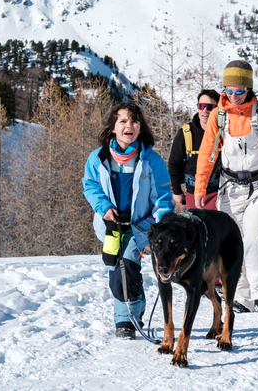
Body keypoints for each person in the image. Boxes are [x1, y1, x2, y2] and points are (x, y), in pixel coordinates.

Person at [194, 60, 258, 313]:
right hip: (230, 187)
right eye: (229, 90)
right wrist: (200, 188)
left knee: (255, 237)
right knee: (232, 243)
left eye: (240, 91)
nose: (234, 96)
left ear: (249, 89)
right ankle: (241, 296)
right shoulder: (219, 115)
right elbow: (208, 153)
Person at [82, 102, 174, 340]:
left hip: (139, 226)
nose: (128, 126)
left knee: (129, 267)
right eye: (122, 121)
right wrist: (103, 208)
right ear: (113, 127)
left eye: (133, 121)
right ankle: (129, 311)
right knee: (115, 271)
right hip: (110, 226)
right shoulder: (98, 157)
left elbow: (163, 195)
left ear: (140, 127)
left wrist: (162, 222)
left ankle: (127, 318)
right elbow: (90, 186)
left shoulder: (150, 159)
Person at [168, 89, 221, 210]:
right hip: (193, 192)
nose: (205, 110)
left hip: (219, 192)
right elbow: (174, 163)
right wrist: (177, 190)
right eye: (201, 106)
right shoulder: (186, 134)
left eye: (210, 107)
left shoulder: (224, 133)